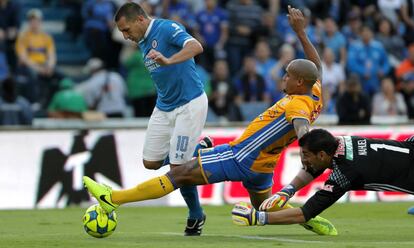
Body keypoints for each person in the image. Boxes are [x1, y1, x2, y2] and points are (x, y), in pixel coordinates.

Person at [83, 6, 337, 236]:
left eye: (288, 76)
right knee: (263, 205)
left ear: (299, 82)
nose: (283, 79)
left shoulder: (297, 105)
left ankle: (113, 198)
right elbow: (316, 65)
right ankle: (309, 218)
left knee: (179, 174)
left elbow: (302, 128)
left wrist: (308, 145)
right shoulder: (313, 92)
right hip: (264, 165)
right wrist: (301, 33)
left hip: (241, 156)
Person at [113, 2, 210, 236]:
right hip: (164, 106)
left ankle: (196, 214)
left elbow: (196, 46)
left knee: (178, 167)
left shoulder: (166, 28)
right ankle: (198, 151)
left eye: (126, 30)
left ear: (140, 19)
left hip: (190, 103)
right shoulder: (142, 41)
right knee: (151, 162)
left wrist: (170, 60)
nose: (126, 36)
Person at [232, 128, 414, 229]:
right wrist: (287, 191)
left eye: (305, 155)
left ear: (321, 155)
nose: (303, 160)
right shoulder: (339, 142)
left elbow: (305, 213)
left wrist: (258, 217)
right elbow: (315, 167)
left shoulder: (345, 173)